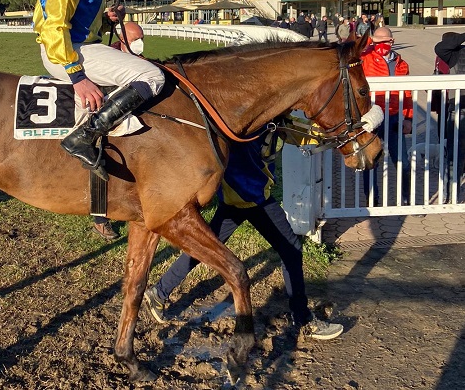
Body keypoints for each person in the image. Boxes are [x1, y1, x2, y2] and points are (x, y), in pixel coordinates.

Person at [143, 126, 344, 340]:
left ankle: (159, 292)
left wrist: (334, 133)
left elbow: (296, 131)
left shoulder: (273, 118)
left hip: (239, 199)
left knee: (204, 248)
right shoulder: (252, 118)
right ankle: (302, 319)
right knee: (291, 250)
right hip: (252, 199)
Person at [33, 0, 164, 179]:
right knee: (152, 77)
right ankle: (84, 136)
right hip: (64, 51)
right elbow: (54, 23)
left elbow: (82, 21)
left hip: (79, 44)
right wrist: (76, 76)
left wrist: (107, 20)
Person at [92, 21, 147, 240]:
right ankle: (100, 220)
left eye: (142, 38)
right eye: (136, 40)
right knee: (100, 161)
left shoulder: (137, 56)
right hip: (101, 119)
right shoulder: (108, 56)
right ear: (123, 40)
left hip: (127, 119)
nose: (141, 43)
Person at [361, 27, 412, 205]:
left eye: (386, 41)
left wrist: (408, 118)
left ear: (393, 41)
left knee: (403, 162)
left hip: (395, 117)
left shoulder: (401, 63)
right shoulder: (365, 59)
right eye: (377, 42)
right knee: (370, 161)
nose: (382, 45)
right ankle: (371, 200)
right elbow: (355, 49)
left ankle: (406, 199)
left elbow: (407, 93)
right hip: (373, 116)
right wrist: (370, 41)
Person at [434, 32, 465, 196]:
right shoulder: (457, 53)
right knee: (454, 155)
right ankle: (450, 193)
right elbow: (440, 47)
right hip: (458, 110)